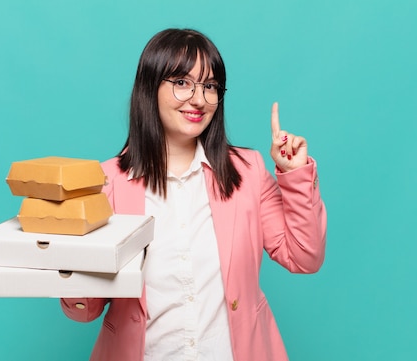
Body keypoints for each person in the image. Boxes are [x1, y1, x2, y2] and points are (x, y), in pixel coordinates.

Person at [60, 28, 327, 361]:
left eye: (210, 86)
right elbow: (85, 311)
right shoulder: (107, 182)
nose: (199, 99)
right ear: (149, 87)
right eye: (182, 83)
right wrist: (68, 259)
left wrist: (294, 175)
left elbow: (304, 256)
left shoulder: (247, 171)